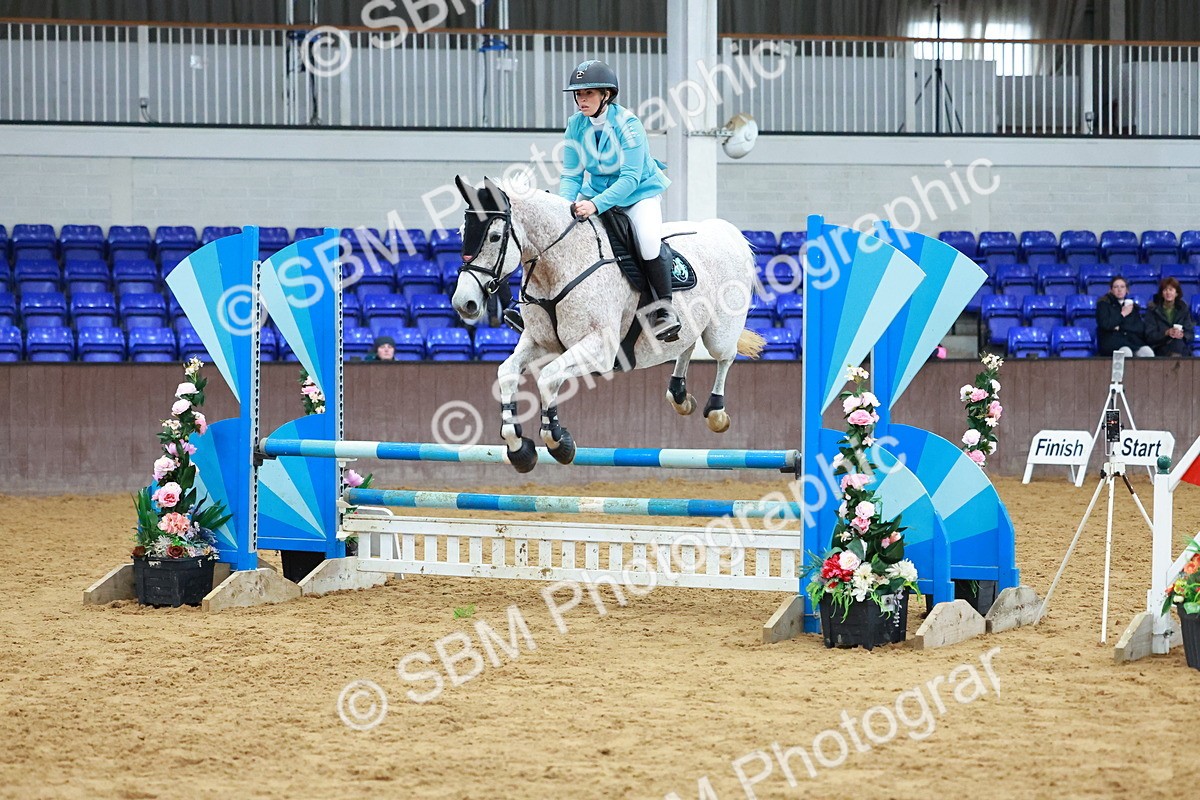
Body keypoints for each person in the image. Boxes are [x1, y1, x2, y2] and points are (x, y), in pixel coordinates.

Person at [522, 59, 680, 342]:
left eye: (589, 94)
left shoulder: (628, 125)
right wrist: (562, 209)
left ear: (606, 94)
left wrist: (595, 205)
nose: (582, 100)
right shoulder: (575, 125)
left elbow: (630, 178)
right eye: (579, 94)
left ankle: (665, 309)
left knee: (647, 242)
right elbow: (571, 174)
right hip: (593, 192)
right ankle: (540, 309)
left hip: (637, 194)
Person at [1095, 276, 1154, 357]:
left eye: (1122, 287)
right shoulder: (1103, 305)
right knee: (1126, 352)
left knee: (1147, 352)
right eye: (1116, 287)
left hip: (1132, 342)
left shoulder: (1133, 306)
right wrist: (1123, 314)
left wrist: (1118, 326)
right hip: (1112, 343)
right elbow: (1105, 324)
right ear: (1111, 290)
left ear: (1127, 290)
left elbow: (1139, 328)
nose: (1119, 289)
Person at [1143, 276, 1195, 357]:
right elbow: (1149, 336)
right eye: (1165, 290)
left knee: (1179, 345)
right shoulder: (1153, 310)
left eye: (1171, 290)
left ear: (1176, 293)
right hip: (1160, 346)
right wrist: (1166, 333)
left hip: (1179, 345)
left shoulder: (1183, 309)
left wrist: (1182, 335)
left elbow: (1190, 333)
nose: (1168, 293)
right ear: (1161, 293)